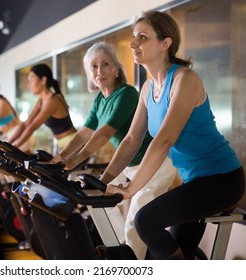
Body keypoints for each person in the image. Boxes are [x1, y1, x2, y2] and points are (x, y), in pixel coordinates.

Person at [101, 11, 245, 260]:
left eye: (143, 37)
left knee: (145, 220)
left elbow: (164, 140)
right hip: (194, 182)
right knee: (176, 251)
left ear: (165, 43)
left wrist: (132, 188)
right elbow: (131, 140)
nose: (134, 44)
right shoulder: (147, 88)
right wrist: (103, 182)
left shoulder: (184, 79)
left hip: (222, 180)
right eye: (134, 37)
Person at [51, 41, 177, 260]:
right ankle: (123, 250)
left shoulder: (126, 94)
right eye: (94, 66)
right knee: (97, 200)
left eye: (105, 64)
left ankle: (131, 262)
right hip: (129, 166)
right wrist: (61, 157)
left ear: (117, 68)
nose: (99, 71)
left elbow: (103, 134)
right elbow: (84, 133)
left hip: (153, 166)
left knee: (136, 223)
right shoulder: (101, 99)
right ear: (89, 73)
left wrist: (76, 160)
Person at [7, 64, 77, 152]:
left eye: (32, 80)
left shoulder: (52, 100)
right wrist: (7, 144)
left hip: (74, 144)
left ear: (43, 80)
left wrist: (13, 148)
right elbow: (26, 124)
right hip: (64, 144)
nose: (29, 84)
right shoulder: (42, 100)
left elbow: (32, 127)